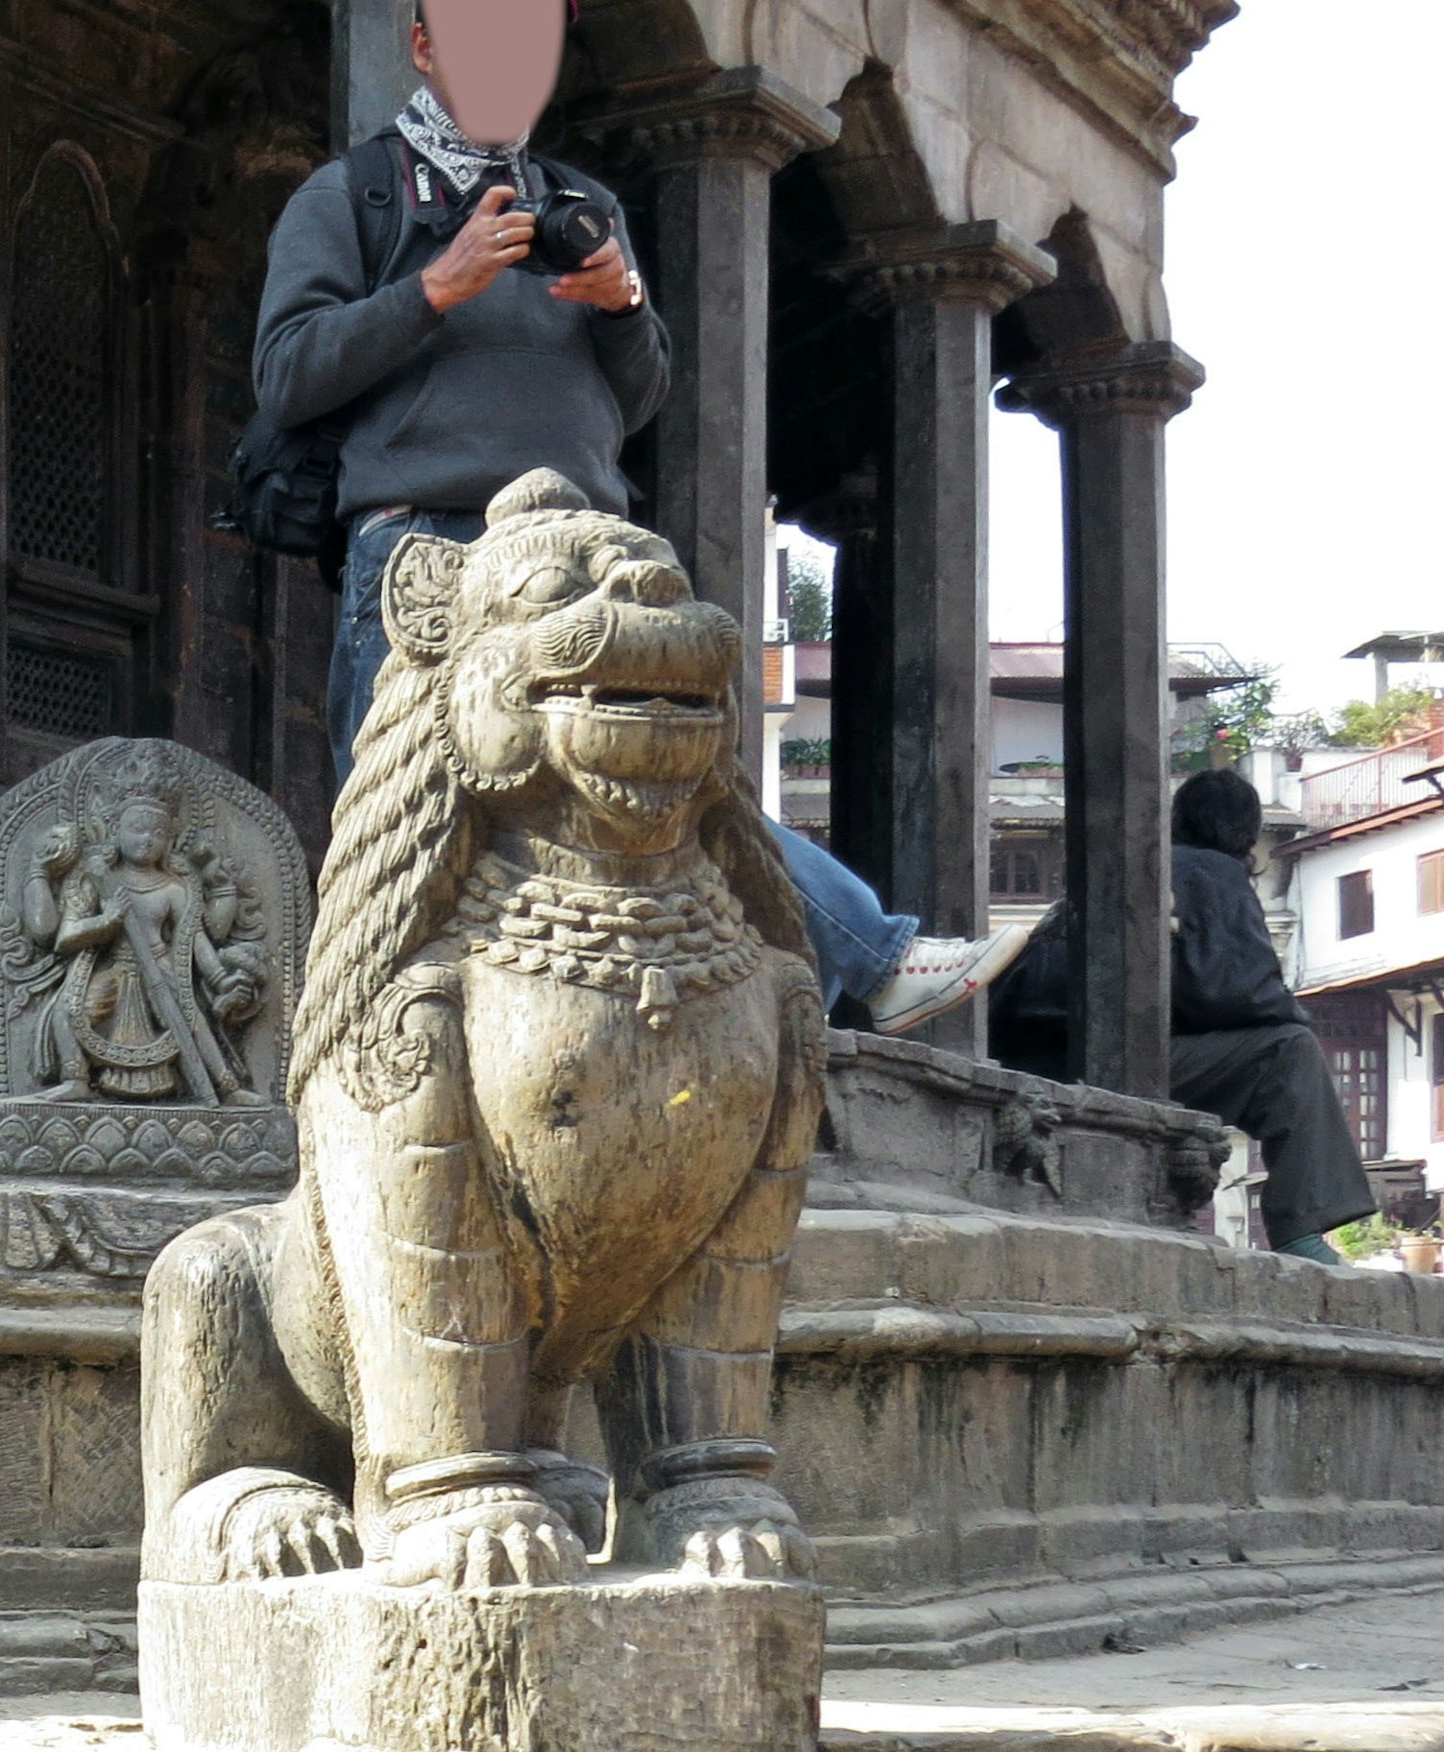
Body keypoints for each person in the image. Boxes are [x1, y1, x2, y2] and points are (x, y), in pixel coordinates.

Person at [254, 0, 1028, 1033]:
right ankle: (373, 1047)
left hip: (579, 557)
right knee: (401, 819)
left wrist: (621, 307)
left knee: (660, 775)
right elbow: (287, 372)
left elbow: (642, 393)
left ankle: (871, 958)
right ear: (426, 47)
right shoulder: (354, 197)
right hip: (428, 550)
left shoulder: (578, 200)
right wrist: (437, 285)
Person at [990, 772, 1376, 1261]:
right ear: (1246, 835)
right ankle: (1299, 1230)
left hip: (1034, 1058)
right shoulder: (1210, 870)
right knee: (1290, 1051)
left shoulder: (1125, 869)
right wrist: (1293, 1015)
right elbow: (1236, 993)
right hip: (1102, 1064)